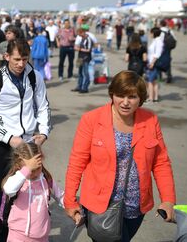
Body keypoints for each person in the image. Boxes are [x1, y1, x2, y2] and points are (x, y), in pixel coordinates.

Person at [64, 70, 176, 241]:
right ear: (112, 94)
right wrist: (70, 201)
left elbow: (161, 163)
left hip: (135, 208)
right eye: (120, 95)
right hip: (100, 206)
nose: (125, 102)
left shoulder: (150, 120)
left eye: (132, 97)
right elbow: (77, 163)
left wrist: (168, 200)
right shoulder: (92, 120)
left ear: (141, 99)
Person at [0, 39, 51, 242]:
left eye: (25, 59)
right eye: (17, 59)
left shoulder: (34, 76)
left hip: (29, 145)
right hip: (3, 147)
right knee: (4, 194)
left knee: (31, 190)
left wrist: (43, 133)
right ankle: (3, 236)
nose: (21, 64)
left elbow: (43, 106)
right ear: (6, 56)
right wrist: (9, 138)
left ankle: (27, 233)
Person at [2, 143, 64, 242]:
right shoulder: (18, 181)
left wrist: (72, 207)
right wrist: (27, 169)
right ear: (18, 165)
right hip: (18, 236)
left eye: (37, 169)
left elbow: (60, 195)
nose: (34, 173)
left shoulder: (46, 179)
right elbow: (8, 189)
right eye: (31, 170)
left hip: (42, 236)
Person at [71, 28, 92, 94]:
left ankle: (85, 88)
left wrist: (79, 49)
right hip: (80, 57)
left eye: (79, 34)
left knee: (85, 73)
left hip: (86, 58)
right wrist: (77, 48)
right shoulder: (82, 39)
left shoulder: (88, 39)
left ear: (83, 32)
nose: (79, 36)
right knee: (79, 72)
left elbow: (89, 50)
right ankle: (79, 86)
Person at [146, 27, 163, 103]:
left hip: (154, 63)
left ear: (154, 33)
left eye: (151, 33)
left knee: (150, 81)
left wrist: (152, 63)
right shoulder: (155, 40)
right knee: (154, 81)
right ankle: (155, 98)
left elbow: (157, 54)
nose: (150, 34)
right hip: (152, 62)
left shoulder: (158, 41)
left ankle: (151, 98)